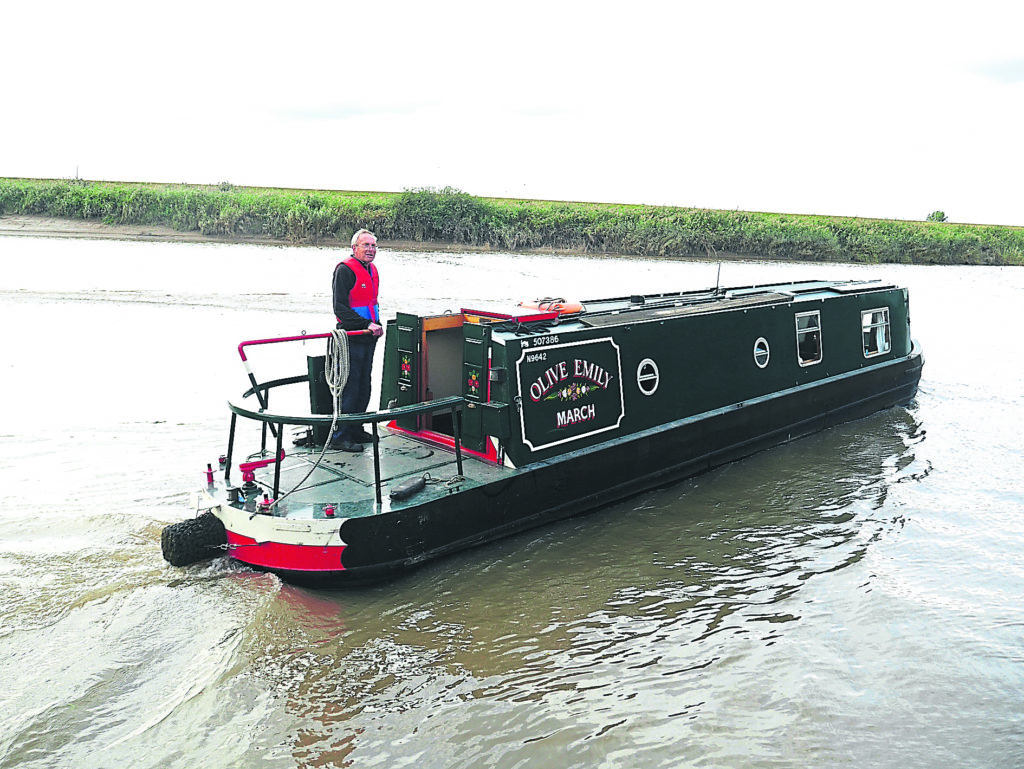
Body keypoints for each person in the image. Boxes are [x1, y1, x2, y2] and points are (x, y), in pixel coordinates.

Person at [329, 228, 384, 452]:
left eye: (373, 246)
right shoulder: (344, 270)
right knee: (350, 386)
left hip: (369, 337)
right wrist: (365, 325)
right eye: (366, 245)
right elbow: (339, 308)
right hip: (351, 336)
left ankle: (356, 428)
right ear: (355, 248)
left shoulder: (371, 270)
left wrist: (376, 325)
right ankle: (340, 435)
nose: (370, 250)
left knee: (364, 384)